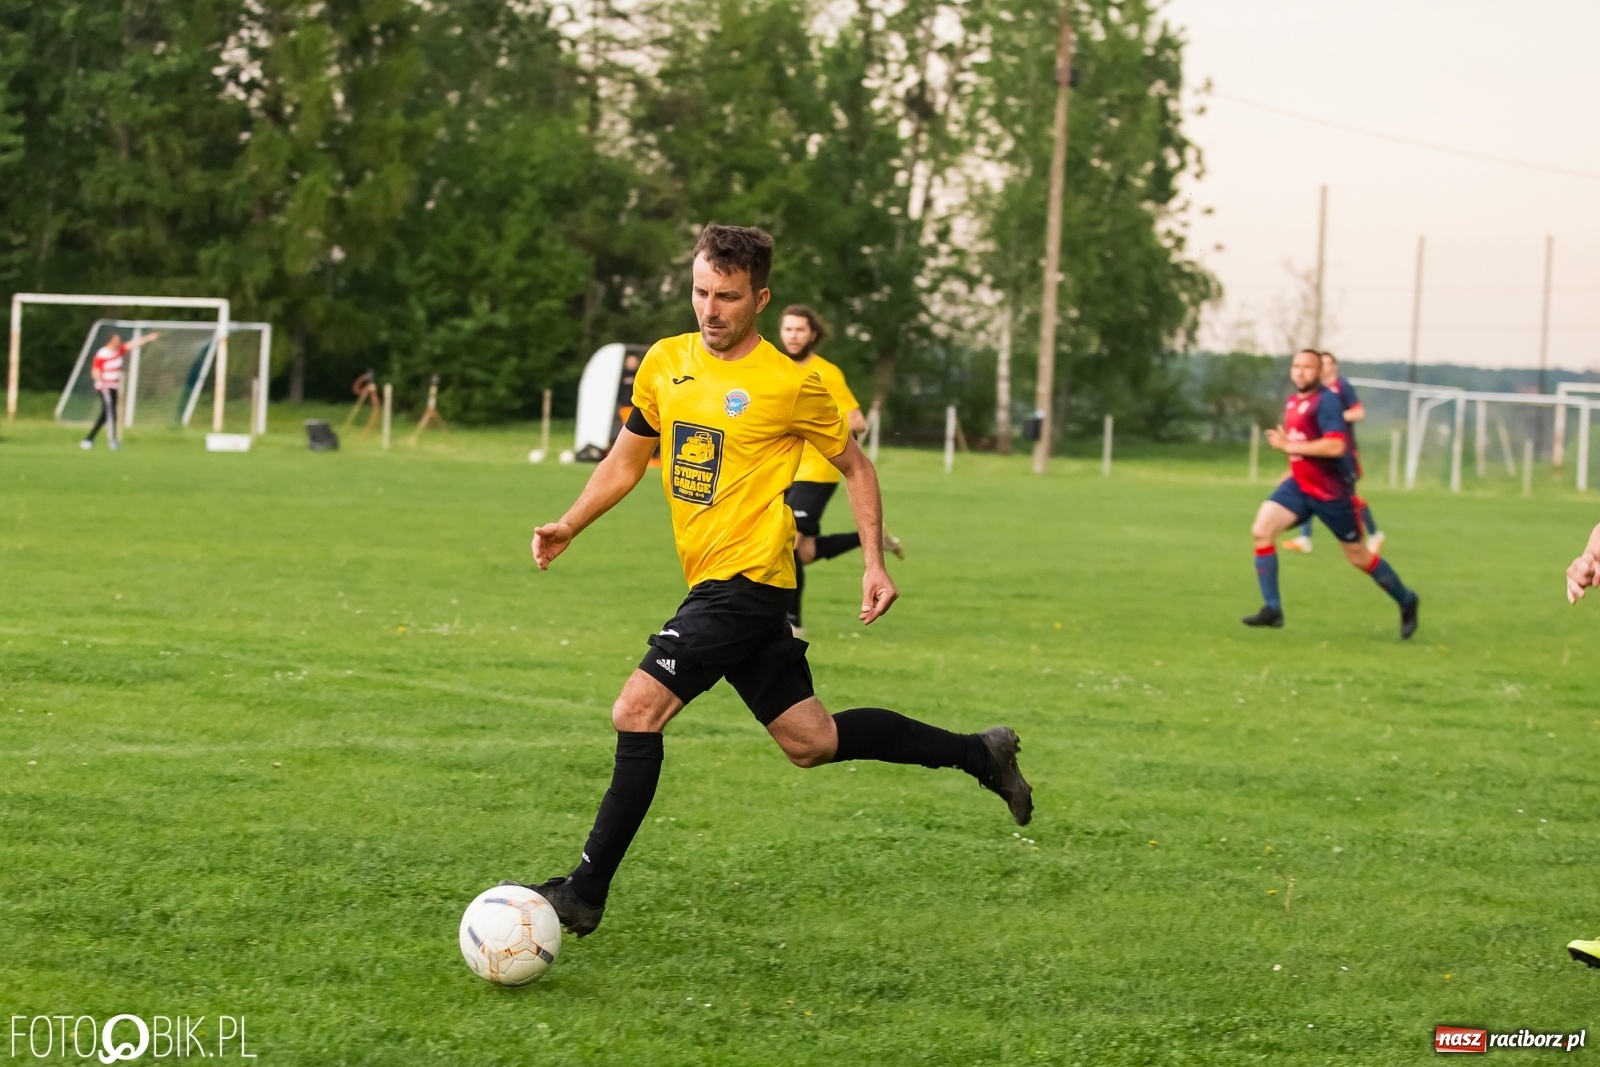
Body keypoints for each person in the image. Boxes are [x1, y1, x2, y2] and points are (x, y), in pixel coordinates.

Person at [505, 224, 1032, 938]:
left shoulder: (792, 385)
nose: (709, 309)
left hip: (747, 584)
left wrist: (874, 561)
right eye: (699, 292)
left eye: (726, 296)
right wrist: (570, 522)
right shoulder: (664, 363)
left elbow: (858, 467)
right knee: (809, 739)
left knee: (636, 711)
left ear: (760, 297)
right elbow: (628, 460)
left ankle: (584, 892)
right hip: (719, 584)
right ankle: (981, 751)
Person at [1243, 348, 1420, 637]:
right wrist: (1292, 463)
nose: (1301, 372)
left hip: (1331, 492)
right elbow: (1304, 442)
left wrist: (1291, 447)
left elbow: (1335, 446)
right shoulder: (1292, 403)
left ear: (1319, 372)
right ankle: (1272, 609)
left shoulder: (1327, 402)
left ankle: (1407, 599)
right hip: (1300, 485)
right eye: (1296, 366)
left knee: (1358, 557)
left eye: (1308, 367)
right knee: (1262, 530)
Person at [777, 304, 902, 635]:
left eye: (799, 330)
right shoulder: (772, 367)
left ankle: (792, 623)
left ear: (812, 334)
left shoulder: (826, 372)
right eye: (787, 329)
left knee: (786, 543)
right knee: (803, 552)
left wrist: (815, 427)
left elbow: (856, 420)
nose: (792, 336)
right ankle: (873, 540)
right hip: (782, 471)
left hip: (817, 471)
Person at [1281, 351, 1384, 553]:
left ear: (1333, 367)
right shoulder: (1315, 395)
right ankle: (1305, 538)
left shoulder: (1340, 387)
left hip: (1343, 454)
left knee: (1351, 497)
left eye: (1327, 364)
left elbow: (1359, 412)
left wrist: (1335, 417)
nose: (1324, 368)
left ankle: (1374, 533)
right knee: (1308, 488)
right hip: (1318, 455)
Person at [80, 331, 160, 450]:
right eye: (116, 339)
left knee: (105, 415)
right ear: (110, 340)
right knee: (111, 413)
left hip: (114, 387)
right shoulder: (103, 353)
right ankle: (113, 441)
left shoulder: (119, 351)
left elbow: (132, 344)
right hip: (105, 387)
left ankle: (89, 439)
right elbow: (95, 371)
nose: (119, 341)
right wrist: (102, 382)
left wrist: (148, 338)